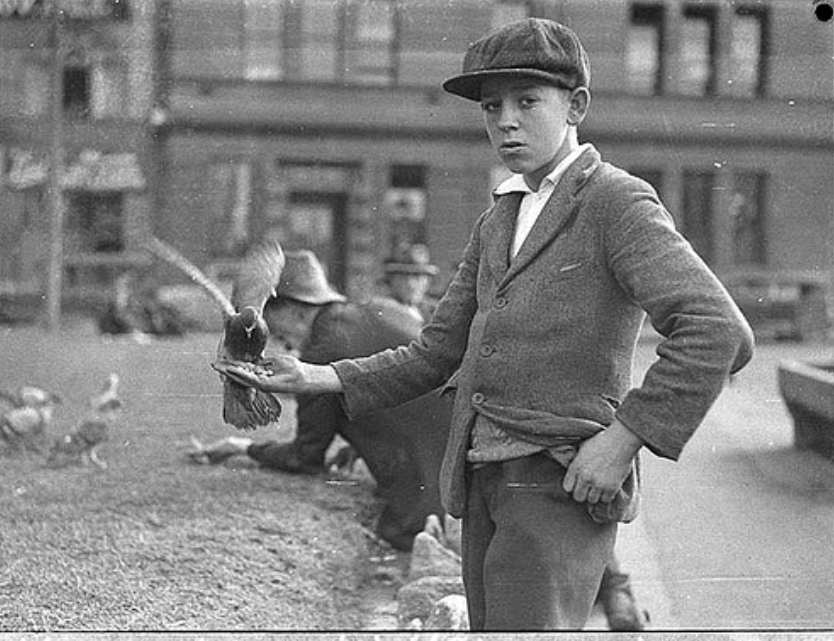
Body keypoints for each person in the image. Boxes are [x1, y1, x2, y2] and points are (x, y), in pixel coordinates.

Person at [222, 18, 754, 631]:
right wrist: (316, 377)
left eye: (528, 101)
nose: (506, 121)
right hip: (479, 480)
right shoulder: (500, 218)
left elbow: (717, 331)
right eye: (491, 106)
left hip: (560, 484)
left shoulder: (616, 201)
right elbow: (433, 352)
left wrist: (623, 439)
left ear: (576, 105)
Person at [193, 249, 452, 551]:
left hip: (430, 504)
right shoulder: (381, 311)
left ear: (296, 310)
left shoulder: (320, 352)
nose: (282, 342)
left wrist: (244, 448)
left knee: (395, 538)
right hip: (461, 476)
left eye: (276, 328)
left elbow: (305, 456)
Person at [379, 243, 440, 323]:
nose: (410, 284)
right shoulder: (382, 311)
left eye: (417, 277)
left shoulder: (436, 311)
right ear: (392, 280)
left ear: (427, 282)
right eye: (404, 277)